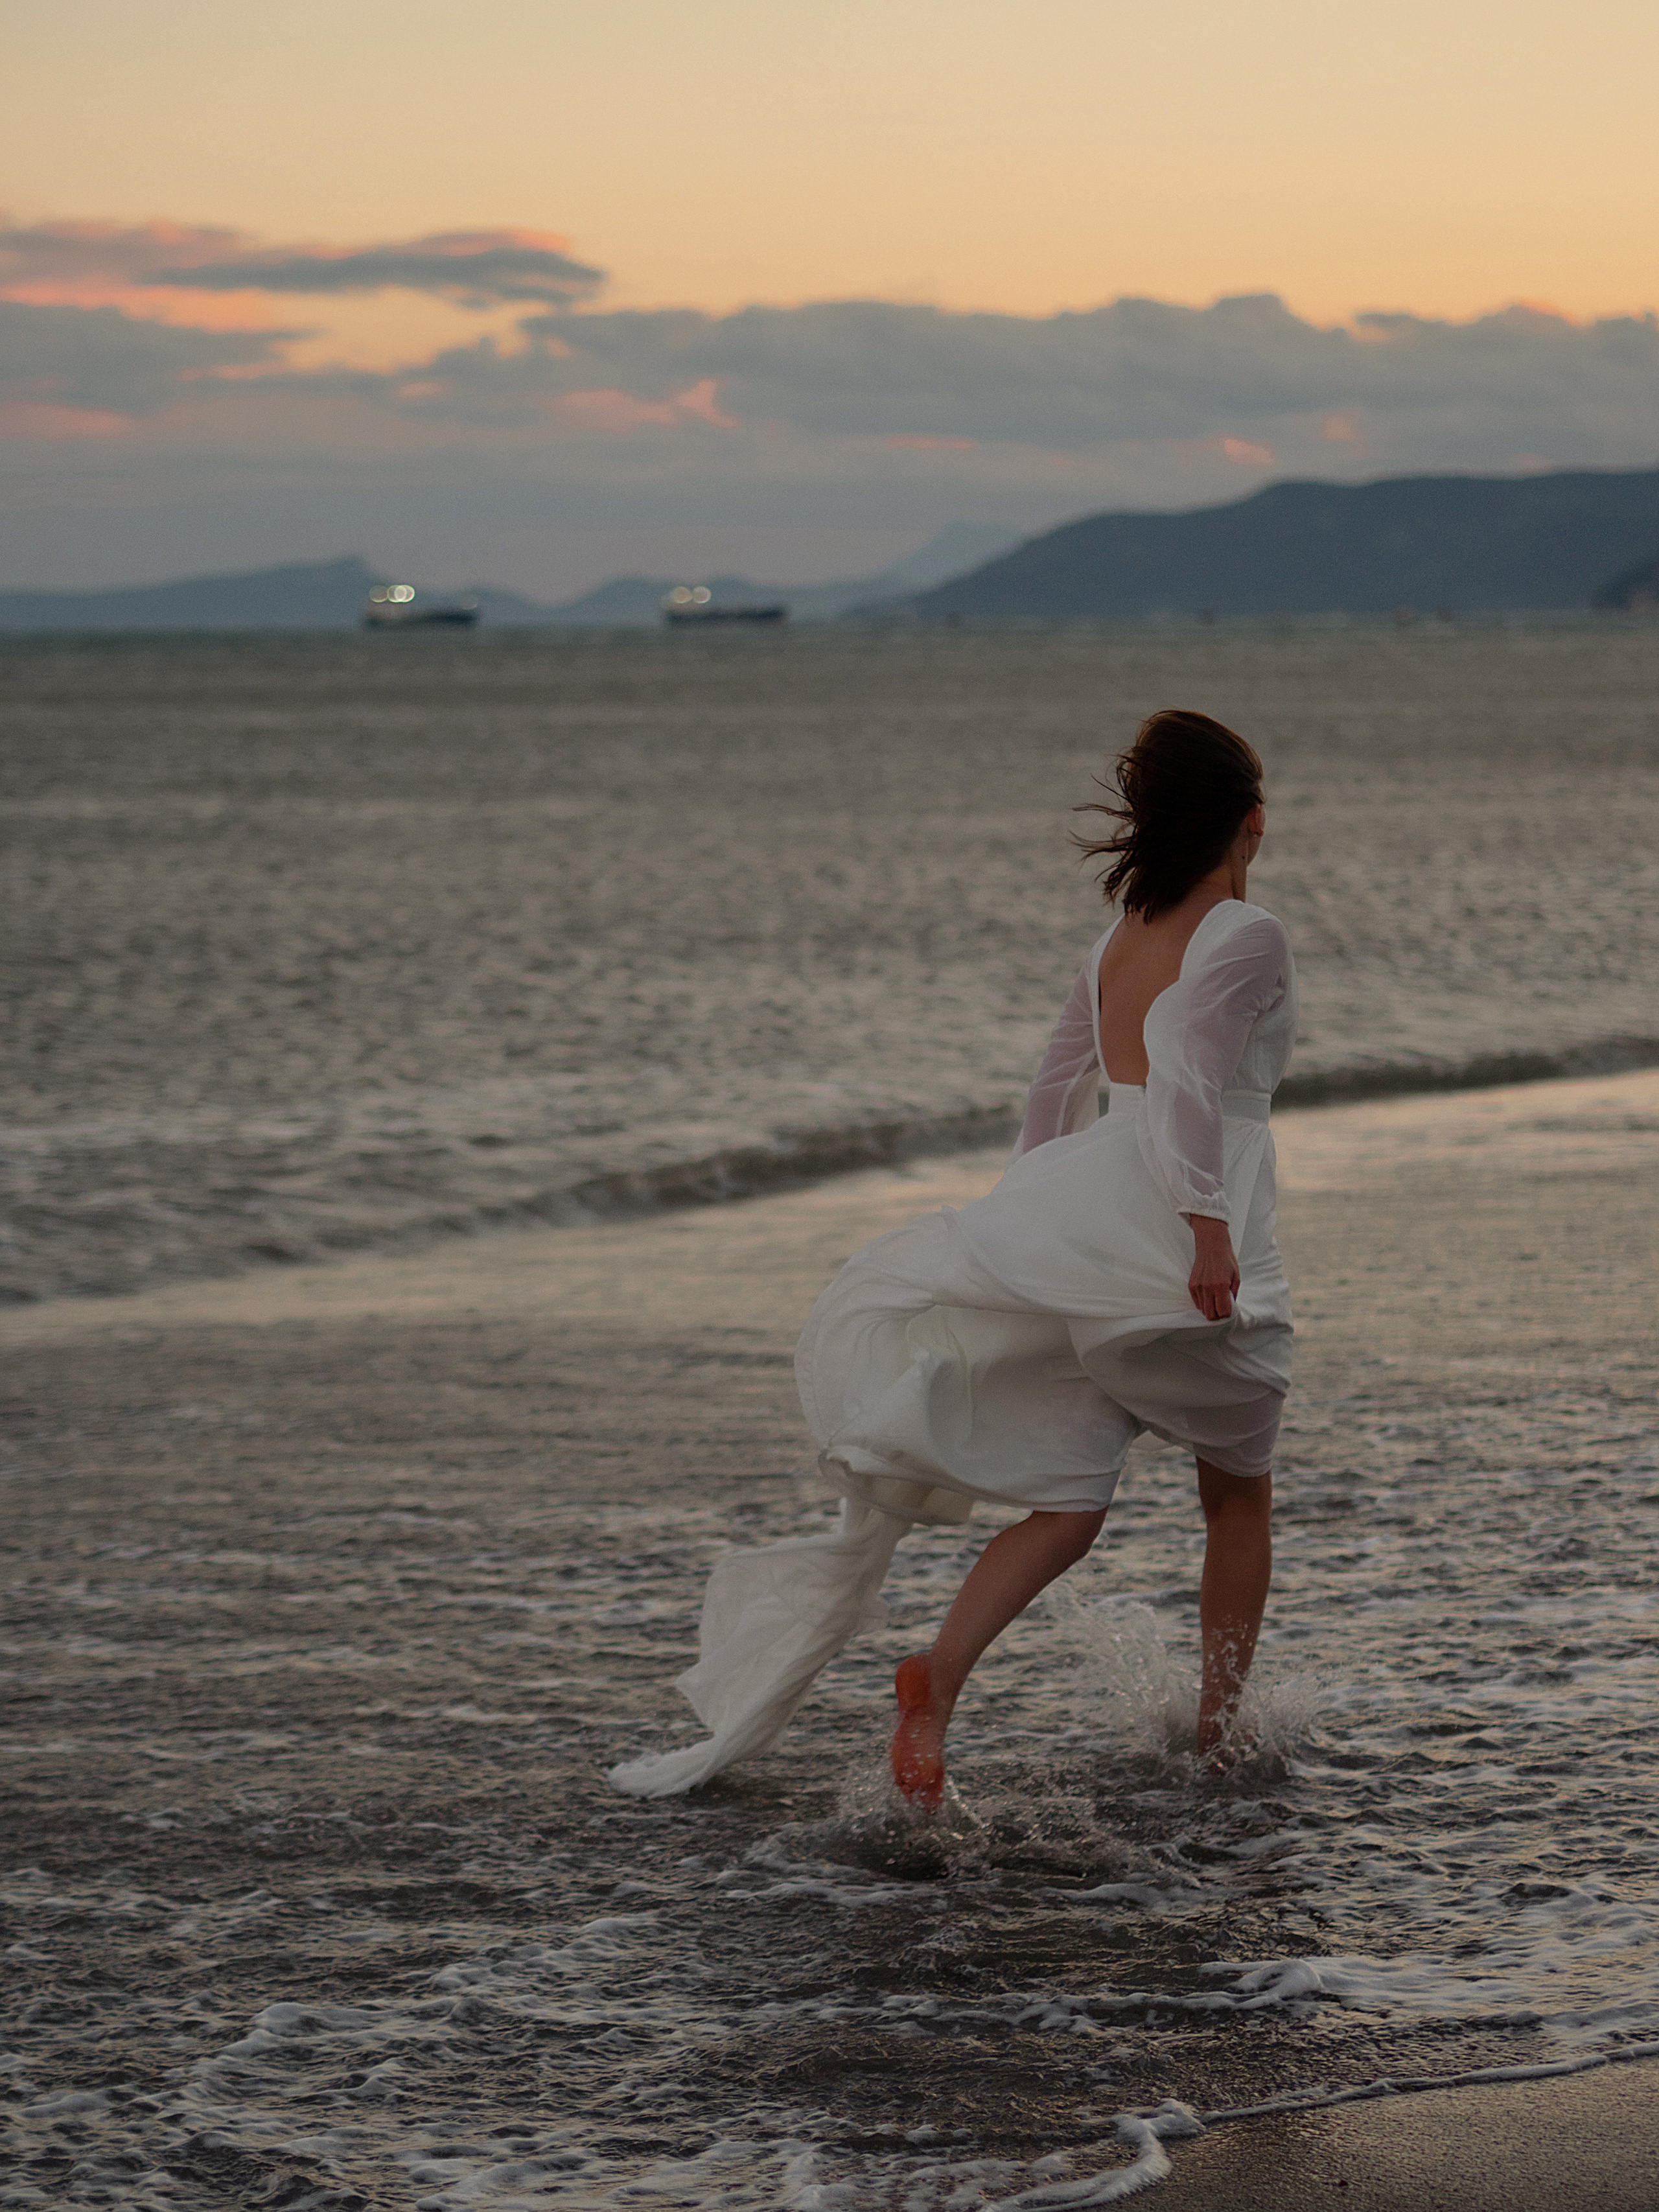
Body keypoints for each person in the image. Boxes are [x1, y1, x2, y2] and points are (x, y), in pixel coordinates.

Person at [610, 710, 1295, 1806]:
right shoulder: (1245, 934)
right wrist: (1207, 1226)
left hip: (1086, 1216)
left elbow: (1054, 1087)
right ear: (1248, 823)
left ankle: (940, 1674)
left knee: (1071, 1502)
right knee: (1239, 1493)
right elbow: (1193, 1078)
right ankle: (1220, 1737)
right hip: (1181, 1227)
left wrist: (1028, 1220)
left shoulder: (1116, 940)